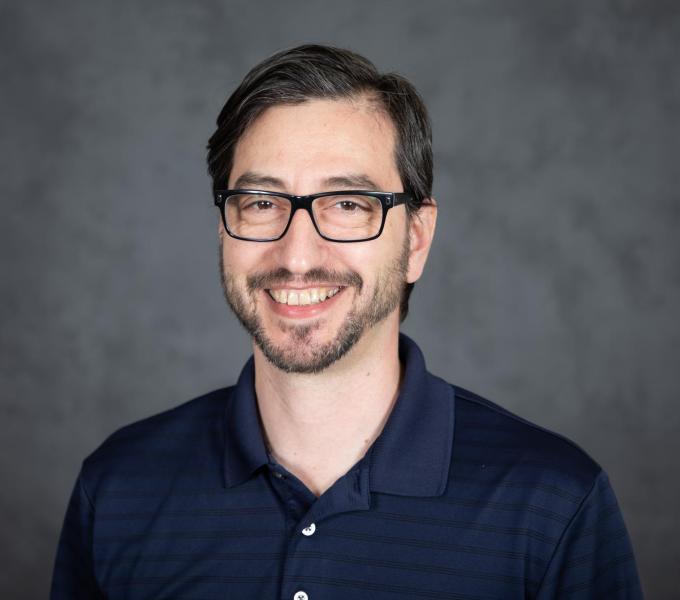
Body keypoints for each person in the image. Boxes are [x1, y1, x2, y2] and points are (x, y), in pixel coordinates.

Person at [50, 45, 643, 600]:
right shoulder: (118, 489)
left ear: (415, 239)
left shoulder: (554, 504)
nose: (297, 254)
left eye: (348, 204)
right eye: (262, 203)